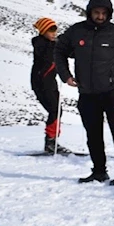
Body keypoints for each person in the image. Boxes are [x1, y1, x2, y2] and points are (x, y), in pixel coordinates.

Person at [54, 0, 114, 186]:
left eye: (103, 13)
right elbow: (59, 51)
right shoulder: (77, 31)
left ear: (109, 14)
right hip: (87, 93)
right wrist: (65, 75)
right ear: (89, 12)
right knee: (93, 134)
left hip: (113, 91)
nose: (100, 16)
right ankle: (99, 171)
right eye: (96, 12)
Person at [31, 17, 71, 154]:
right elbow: (47, 55)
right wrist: (58, 43)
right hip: (41, 83)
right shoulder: (39, 43)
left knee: (57, 110)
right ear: (43, 31)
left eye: (55, 29)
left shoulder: (51, 43)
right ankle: (50, 142)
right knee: (54, 110)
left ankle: (52, 141)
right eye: (51, 30)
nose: (54, 33)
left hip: (50, 82)